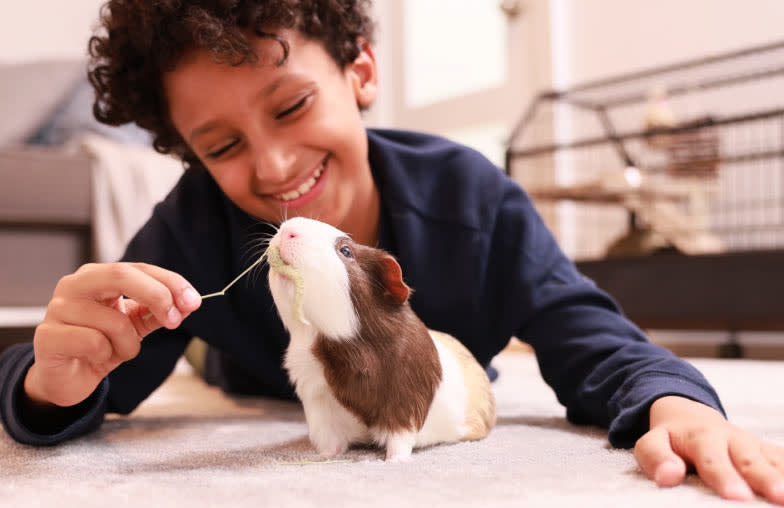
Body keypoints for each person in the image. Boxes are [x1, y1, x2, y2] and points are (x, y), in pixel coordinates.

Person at [1, 0, 782, 502]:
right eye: (224, 145)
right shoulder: (194, 228)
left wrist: (675, 404)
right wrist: (46, 380)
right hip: (248, 378)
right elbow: (90, 385)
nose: (272, 167)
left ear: (361, 71)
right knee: (206, 367)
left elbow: (597, 341)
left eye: (294, 105)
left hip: (423, 393)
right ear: (191, 156)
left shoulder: (474, 203)